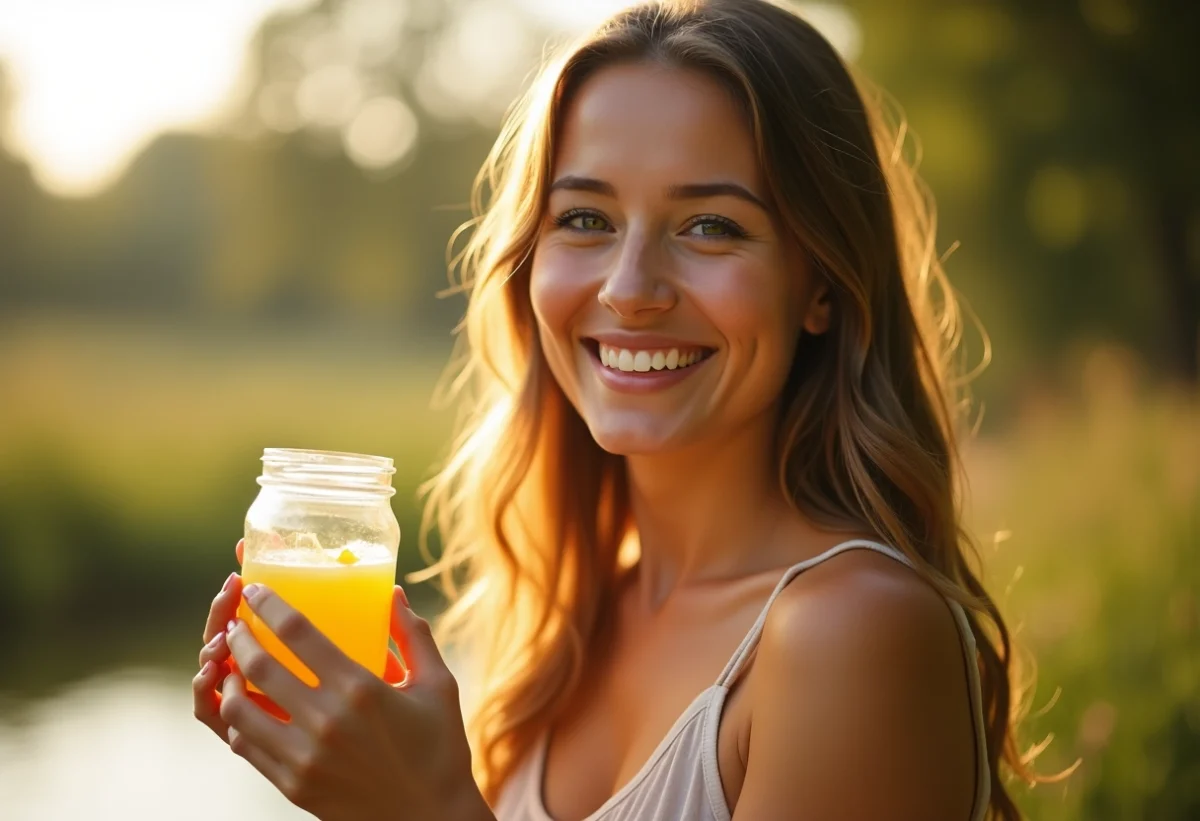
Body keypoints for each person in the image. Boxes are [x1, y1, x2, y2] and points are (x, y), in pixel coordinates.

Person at [192, 1, 1033, 818]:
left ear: (819, 283)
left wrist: (427, 809)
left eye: (709, 225)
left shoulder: (853, 633)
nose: (630, 290)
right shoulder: (568, 621)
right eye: (586, 218)